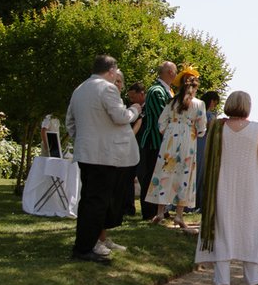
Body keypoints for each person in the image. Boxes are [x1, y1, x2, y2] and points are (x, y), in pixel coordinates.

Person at [65, 55, 144, 263]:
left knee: (89, 200)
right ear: (111, 71)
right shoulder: (107, 89)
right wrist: (134, 110)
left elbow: (70, 122)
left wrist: (82, 141)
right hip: (106, 156)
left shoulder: (80, 89)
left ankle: (83, 244)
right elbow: (120, 117)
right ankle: (85, 248)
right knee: (98, 202)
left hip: (87, 153)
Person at [195, 91, 258, 285]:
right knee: (251, 227)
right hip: (251, 184)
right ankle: (253, 280)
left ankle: (222, 281)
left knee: (223, 226)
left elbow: (208, 155)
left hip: (223, 181)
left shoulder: (216, 128)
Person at [145, 68, 207, 230]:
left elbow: (161, 123)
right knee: (185, 174)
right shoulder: (199, 104)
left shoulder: (172, 102)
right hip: (188, 139)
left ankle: (160, 212)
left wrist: (170, 132)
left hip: (171, 140)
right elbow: (202, 129)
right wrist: (193, 131)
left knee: (165, 172)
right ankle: (179, 215)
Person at [137, 61, 177, 219]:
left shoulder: (167, 91)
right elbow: (163, 117)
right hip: (154, 141)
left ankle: (161, 209)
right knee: (151, 176)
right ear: (169, 72)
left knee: (162, 176)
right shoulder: (156, 91)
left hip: (163, 142)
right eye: (175, 72)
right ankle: (149, 211)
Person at [194, 90, 222, 214]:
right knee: (201, 172)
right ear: (212, 102)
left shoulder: (198, 112)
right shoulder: (209, 114)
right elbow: (212, 127)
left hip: (197, 143)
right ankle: (198, 202)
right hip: (204, 144)